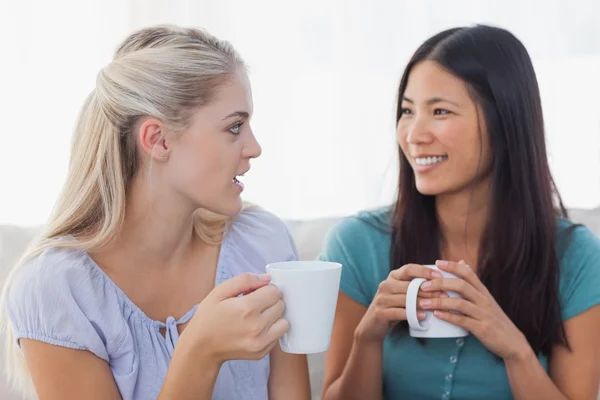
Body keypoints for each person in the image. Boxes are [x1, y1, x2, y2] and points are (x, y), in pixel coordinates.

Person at [0, 24, 311, 400]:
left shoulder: (262, 241)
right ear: (158, 140)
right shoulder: (56, 291)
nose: (255, 147)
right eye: (234, 127)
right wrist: (200, 352)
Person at [318, 25, 600, 400]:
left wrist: (514, 350)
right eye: (407, 110)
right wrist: (367, 337)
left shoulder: (576, 257)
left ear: (505, 122)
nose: (414, 134)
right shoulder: (356, 244)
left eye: (439, 111)